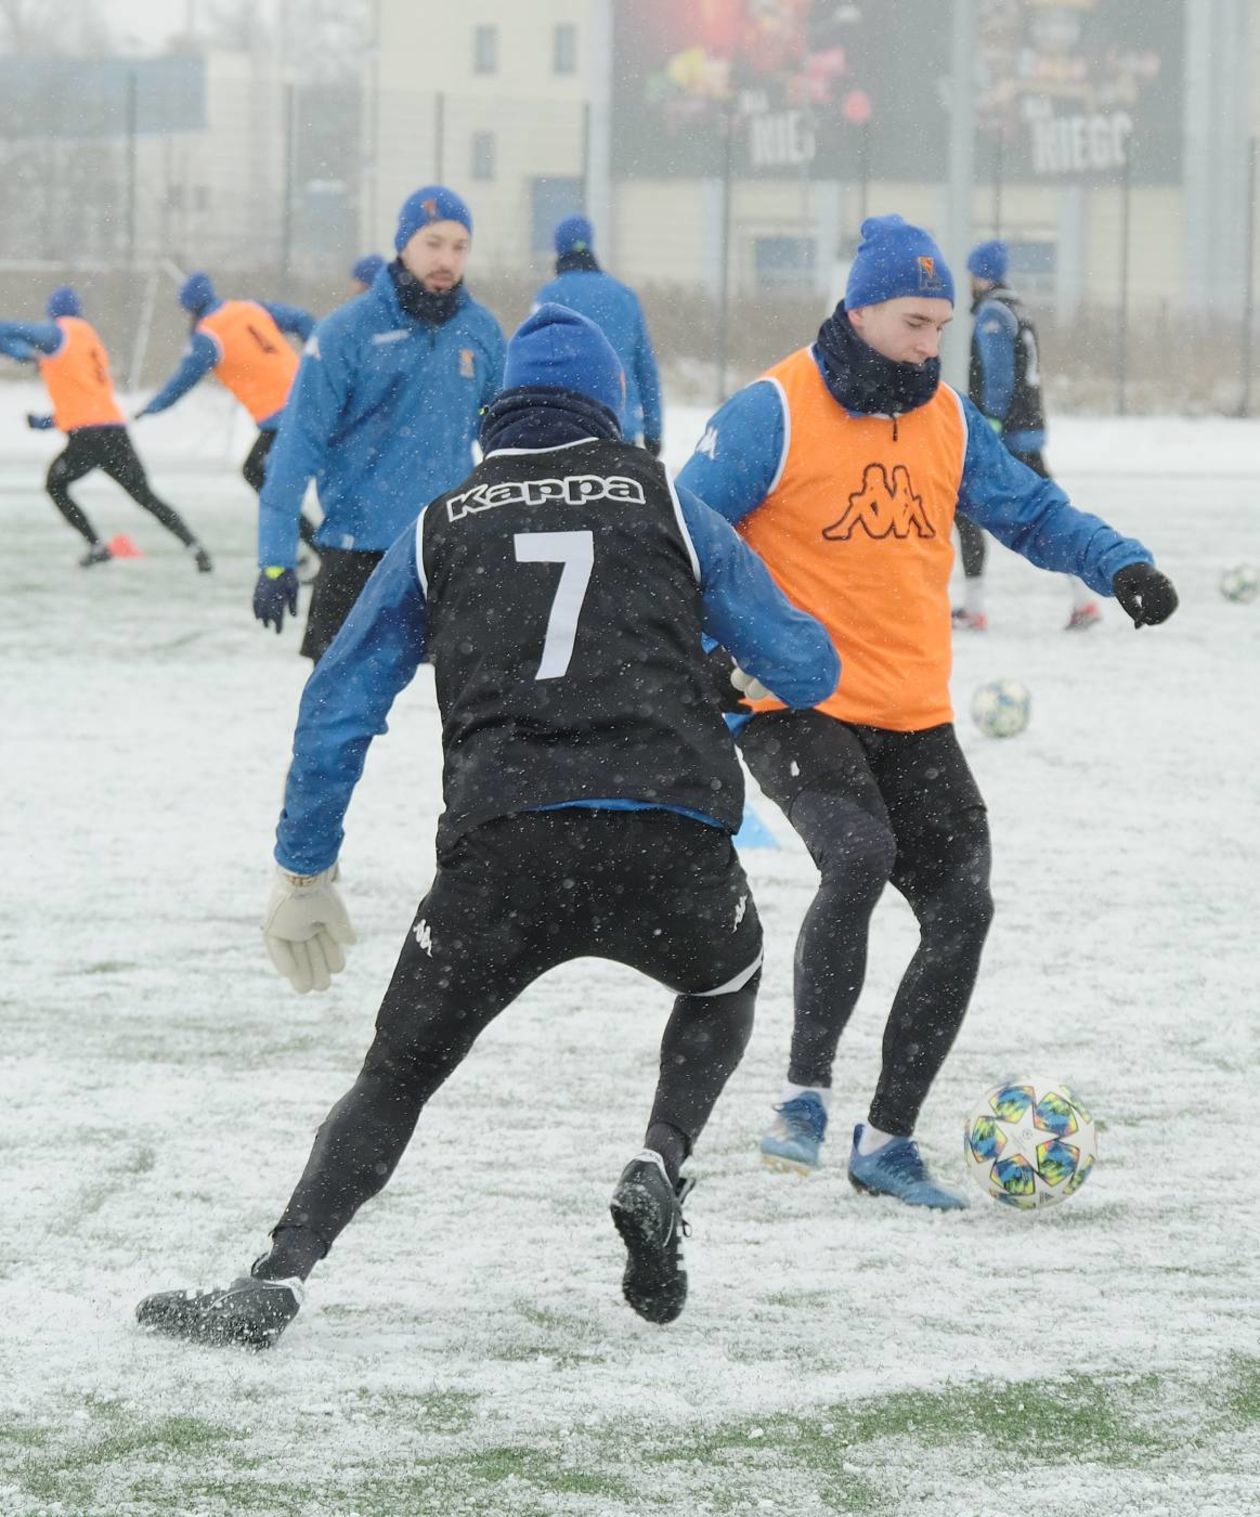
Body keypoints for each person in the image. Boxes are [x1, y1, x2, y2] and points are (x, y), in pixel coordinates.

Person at [133, 305, 840, 1350]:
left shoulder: (443, 519)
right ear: (605, 409)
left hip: (506, 850)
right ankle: (658, 1157)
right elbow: (808, 662)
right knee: (723, 983)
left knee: (397, 1074)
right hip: (668, 832)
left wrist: (303, 864)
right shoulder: (669, 504)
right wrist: (727, 677)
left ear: (498, 410)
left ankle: (280, 1272)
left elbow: (341, 698)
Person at [678, 215, 1178, 1209]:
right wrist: (710, 660)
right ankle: (803, 1096)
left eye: (941, 325)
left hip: (910, 705)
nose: (928, 342)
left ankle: (887, 1138)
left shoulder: (947, 417)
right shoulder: (773, 409)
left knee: (963, 905)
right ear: (858, 309)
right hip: (791, 698)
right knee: (857, 855)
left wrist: (1119, 561)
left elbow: (1029, 509)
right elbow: (680, 534)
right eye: (913, 322)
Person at [253, 184, 507, 663]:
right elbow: (296, 448)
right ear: (403, 243)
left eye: (459, 247)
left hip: (447, 552)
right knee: (333, 725)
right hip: (356, 554)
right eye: (433, 243)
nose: (446, 260)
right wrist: (275, 558)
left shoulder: (482, 331)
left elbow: (507, 445)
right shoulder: (348, 330)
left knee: (468, 723)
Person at [0, 287, 211, 570]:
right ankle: (195, 547)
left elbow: (6, 330)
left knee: (55, 485)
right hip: (113, 431)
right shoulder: (88, 338)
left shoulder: (58, 333)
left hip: (88, 437)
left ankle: (97, 546)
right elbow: (84, 399)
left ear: (53, 314)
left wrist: (22, 353)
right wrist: (45, 422)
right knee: (145, 495)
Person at [955, 239, 1099, 631]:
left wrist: (991, 424)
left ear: (980, 274)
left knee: (968, 508)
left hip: (1008, 432)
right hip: (1029, 426)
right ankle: (1084, 599)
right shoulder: (1017, 308)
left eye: (971, 273)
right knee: (1048, 514)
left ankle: (973, 607)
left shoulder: (992, 314)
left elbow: (999, 374)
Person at [136, 273, 321, 559]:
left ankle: (321, 552)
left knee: (261, 476)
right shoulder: (249, 308)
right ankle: (318, 550)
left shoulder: (208, 336)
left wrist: (154, 405)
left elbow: (185, 378)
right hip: (307, 398)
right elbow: (301, 318)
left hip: (281, 416)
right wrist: (316, 353)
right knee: (284, 478)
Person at [533, 214, 663, 455]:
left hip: (567, 430)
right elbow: (645, 367)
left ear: (558, 248)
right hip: (620, 426)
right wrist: (653, 429)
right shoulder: (625, 296)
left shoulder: (550, 297)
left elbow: (534, 364)